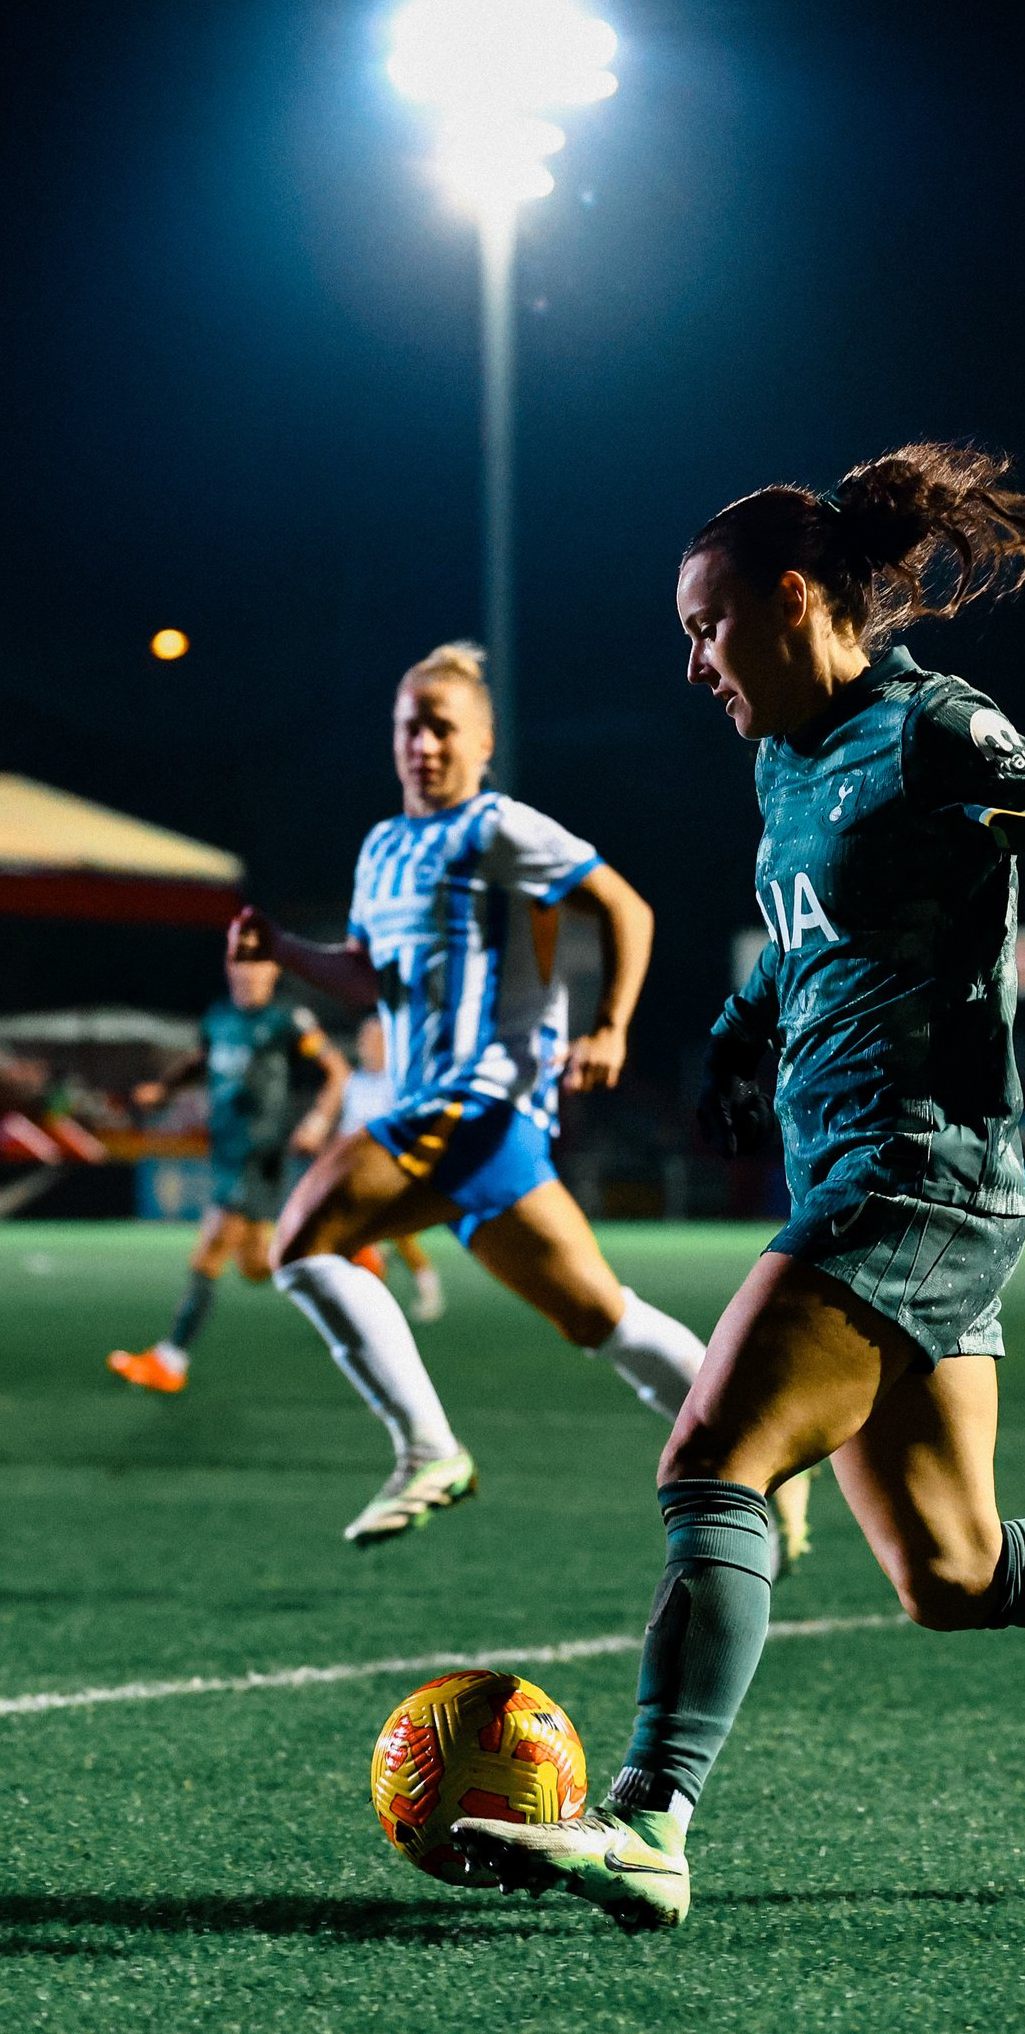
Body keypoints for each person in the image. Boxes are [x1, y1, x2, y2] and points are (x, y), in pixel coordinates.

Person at [453, 442, 1025, 1929]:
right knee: (947, 1570)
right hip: (858, 1177)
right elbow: (810, 937)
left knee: (711, 1455)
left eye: (703, 625)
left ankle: (646, 1820)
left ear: (794, 597)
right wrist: (739, 1035)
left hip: (919, 1178)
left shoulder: (935, 730)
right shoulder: (778, 755)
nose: (692, 664)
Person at [231, 644, 784, 1556]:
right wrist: (284, 949)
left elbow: (624, 907)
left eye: (444, 727)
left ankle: (428, 1450)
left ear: (482, 741)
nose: (425, 743)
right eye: (411, 726)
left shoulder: (497, 828)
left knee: (301, 1238)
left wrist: (609, 1026)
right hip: (459, 1125)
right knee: (598, 1316)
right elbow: (371, 980)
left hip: (480, 1100)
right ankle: (754, 1452)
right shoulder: (382, 848)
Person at [108, 954, 349, 1393]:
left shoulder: (288, 1020)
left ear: (273, 972)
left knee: (209, 1251)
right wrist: (164, 1090)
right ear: (228, 968)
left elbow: (337, 1072)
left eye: (258, 964)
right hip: (226, 1151)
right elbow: (200, 1061)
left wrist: (316, 1121)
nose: (248, 972)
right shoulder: (219, 1017)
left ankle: (171, 1358)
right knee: (256, 1265)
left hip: (262, 1154)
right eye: (241, 963)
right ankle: (339, 1263)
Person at [338, 1013, 447, 1324]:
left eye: (376, 1039)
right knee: (357, 1239)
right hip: (358, 1173)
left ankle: (427, 1289)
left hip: (392, 1172)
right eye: (364, 1039)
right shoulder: (355, 1082)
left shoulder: (400, 1082)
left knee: (399, 1236)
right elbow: (348, 1130)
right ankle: (366, 1305)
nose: (368, 1046)